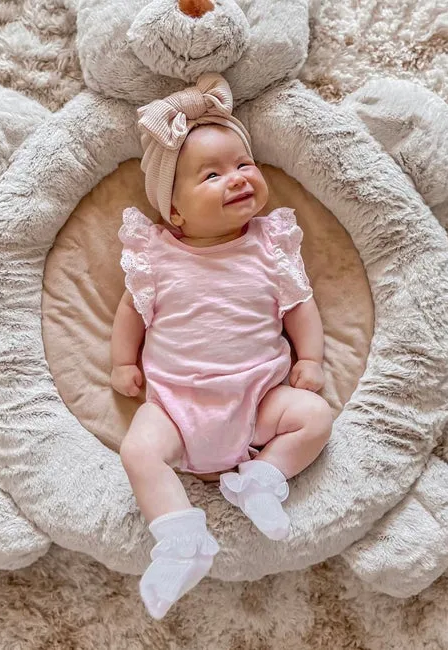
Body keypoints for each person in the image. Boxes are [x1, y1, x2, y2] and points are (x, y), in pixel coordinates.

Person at [111, 72, 332, 620]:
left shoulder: (269, 245)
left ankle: (263, 479)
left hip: (258, 400)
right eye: (212, 174)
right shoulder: (156, 254)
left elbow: (300, 305)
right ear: (175, 211)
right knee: (139, 450)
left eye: (243, 165)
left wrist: (310, 358)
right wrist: (122, 361)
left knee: (314, 416)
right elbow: (131, 311)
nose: (237, 179)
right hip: (176, 409)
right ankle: (181, 538)